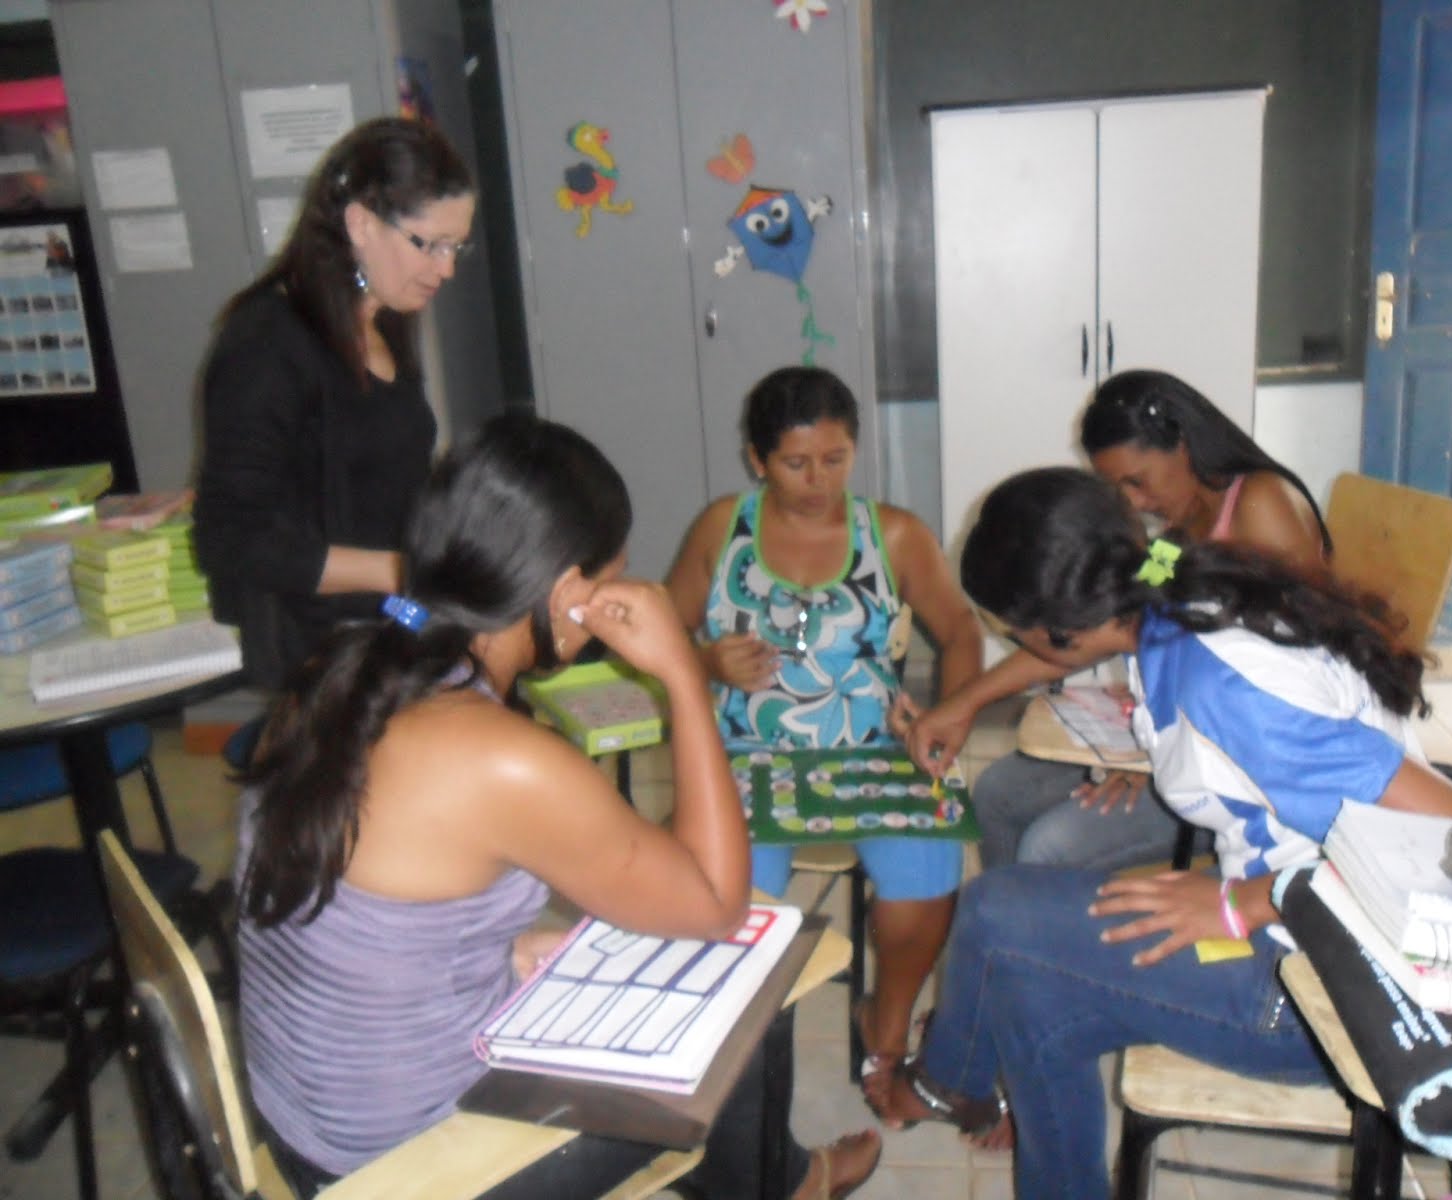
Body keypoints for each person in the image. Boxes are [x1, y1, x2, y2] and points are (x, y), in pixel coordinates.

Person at [235, 412, 880, 1200]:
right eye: (614, 575)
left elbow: (354, 910)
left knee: (647, 966)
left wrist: (495, 953)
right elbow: (716, 904)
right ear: (571, 594)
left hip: (310, 1129)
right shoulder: (502, 758)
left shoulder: (334, 673)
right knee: (747, 1007)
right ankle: (794, 1186)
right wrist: (684, 677)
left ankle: (775, 1179)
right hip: (413, 1168)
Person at [866, 467, 1452, 1199]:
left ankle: (947, 1084)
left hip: (1330, 997)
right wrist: (966, 703)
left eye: (1016, 633)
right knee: (1033, 996)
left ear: (1060, 627)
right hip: (1303, 929)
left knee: (995, 911)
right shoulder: (1173, 588)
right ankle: (970, 1095)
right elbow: (1079, 649)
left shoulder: (1225, 682)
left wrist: (1242, 901)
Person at [665, 366, 984, 1081]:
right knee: (733, 906)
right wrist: (708, 661)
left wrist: (948, 716)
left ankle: (886, 1028)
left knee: (925, 881)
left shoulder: (894, 534)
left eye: (835, 459)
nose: (818, 480)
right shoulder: (723, 528)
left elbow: (960, 630)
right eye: (796, 463)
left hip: (873, 748)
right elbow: (666, 630)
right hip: (747, 753)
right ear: (757, 459)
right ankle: (738, 1059)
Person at [908, 369, 1331, 873]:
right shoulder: (1175, 536)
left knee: (1051, 845)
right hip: (1173, 738)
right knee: (999, 792)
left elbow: (1296, 688)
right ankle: (1011, 915)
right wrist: (961, 704)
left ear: (1183, 445)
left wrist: (1162, 761)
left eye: (1136, 481)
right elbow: (1100, 627)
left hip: (1247, 773)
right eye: (1115, 489)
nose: (1132, 503)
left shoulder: (1261, 506)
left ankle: (1045, 920)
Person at [194, 116, 475, 699]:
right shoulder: (268, 343)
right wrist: (396, 572)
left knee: (490, 661)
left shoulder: (384, 317)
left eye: (456, 246)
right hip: (321, 647)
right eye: (430, 244)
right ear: (361, 224)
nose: (446, 268)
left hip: (390, 615)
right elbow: (229, 538)